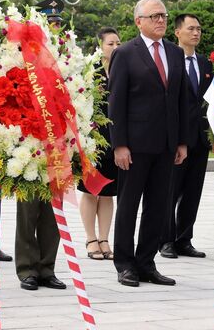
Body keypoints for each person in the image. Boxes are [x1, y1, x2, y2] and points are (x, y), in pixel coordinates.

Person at [108, 0, 189, 287]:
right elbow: (116, 102)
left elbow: (181, 100)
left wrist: (181, 141)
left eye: (164, 15)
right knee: (129, 205)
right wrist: (119, 144)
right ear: (138, 21)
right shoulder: (126, 53)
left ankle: (146, 262)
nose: (161, 20)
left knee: (158, 206)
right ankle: (125, 263)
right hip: (134, 145)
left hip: (166, 144)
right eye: (154, 16)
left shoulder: (175, 53)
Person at [15, 0, 67, 292]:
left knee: (53, 208)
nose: (54, 28)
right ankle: (27, 268)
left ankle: (47, 267)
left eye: (57, 23)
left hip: (58, 140)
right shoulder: (22, 55)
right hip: (31, 141)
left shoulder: (64, 55)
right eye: (49, 23)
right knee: (29, 208)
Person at [159, 14, 212, 260]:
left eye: (199, 29)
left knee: (193, 191)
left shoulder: (204, 62)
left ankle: (184, 238)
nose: (196, 33)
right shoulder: (169, 59)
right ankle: (166, 239)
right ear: (177, 32)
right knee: (170, 190)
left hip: (201, 138)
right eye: (191, 28)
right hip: (177, 137)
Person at [79, 27, 120, 261]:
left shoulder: (122, 70)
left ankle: (105, 239)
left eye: (118, 43)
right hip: (93, 140)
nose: (115, 48)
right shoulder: (90, 72)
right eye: (110, 44)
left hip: (116, 140)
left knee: (108, 194)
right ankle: (90, 238)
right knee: (91, 191)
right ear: (100, 47)